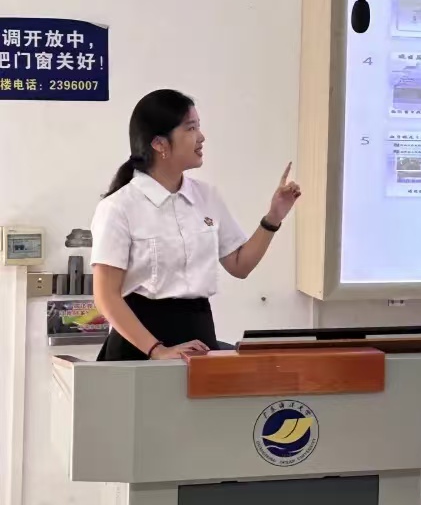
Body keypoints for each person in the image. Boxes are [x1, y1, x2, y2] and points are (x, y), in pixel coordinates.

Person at [91, 89, 301, 361]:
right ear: (160, 144)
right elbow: (106, 297)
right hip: (139, 345)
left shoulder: (207, 196)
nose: (201, 137)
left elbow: (240, 265)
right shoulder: (119, 207)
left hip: (198, 335)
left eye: (199, 127)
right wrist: (158, 350)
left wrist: (274, 216)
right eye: (191, 128)